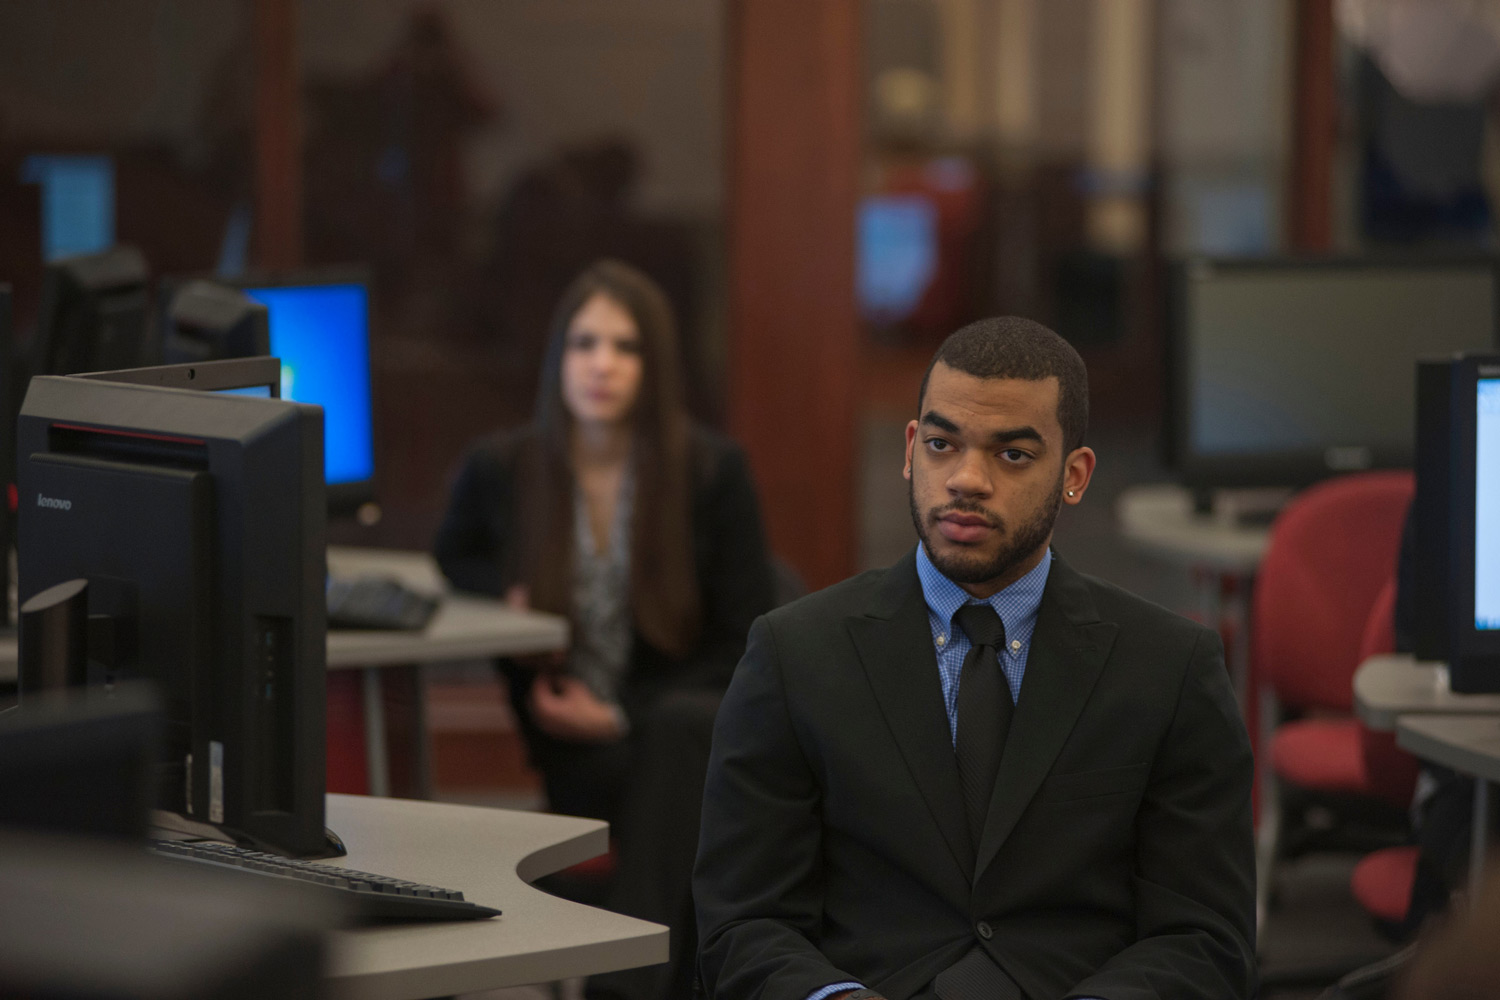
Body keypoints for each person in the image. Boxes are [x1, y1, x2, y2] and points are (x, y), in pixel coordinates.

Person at [693, 316, 1256, 1000]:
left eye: (1011, 455)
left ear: (1074, 475)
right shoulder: (794, 654)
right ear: (909, 450)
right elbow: (742, 924)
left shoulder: (1169, 665)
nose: (966, 479)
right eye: (941, 444)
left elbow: (1206, 937)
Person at [435, 258, 774, 1000]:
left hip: (676, 729)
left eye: (627, 347)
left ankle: (628, 987)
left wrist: (623, 714)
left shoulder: (713, 472)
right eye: (585, 344)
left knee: (685, 735)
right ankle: (656, 981)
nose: (603, 365)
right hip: (573, 749)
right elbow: (451, 557)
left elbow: (745, 643)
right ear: (559, 356)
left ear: (657, 366)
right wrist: (509, 600)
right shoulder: (503, 467)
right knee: (691, 796)